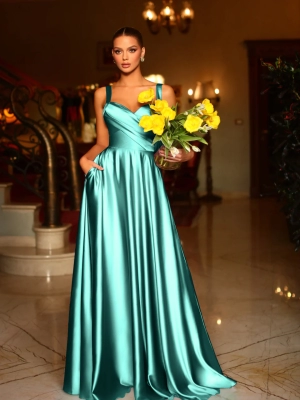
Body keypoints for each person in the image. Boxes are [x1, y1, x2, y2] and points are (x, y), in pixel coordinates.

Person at [63, 26, 237, 400]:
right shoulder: (102, 94)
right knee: (111, 265)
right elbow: (102, 142)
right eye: (117, 51)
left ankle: (157, 358)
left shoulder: (163, 93)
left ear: (143, 53)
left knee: (152, 261)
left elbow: (175, 147)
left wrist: (179, 154)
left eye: (131, 49)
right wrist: (84, 160)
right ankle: (116, 360)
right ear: (112, 56)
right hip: (108, 186)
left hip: (145, 184)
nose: (124, 56)